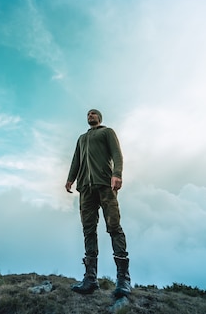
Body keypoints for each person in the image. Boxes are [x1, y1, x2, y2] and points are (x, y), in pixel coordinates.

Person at [65, 109, 131, 298]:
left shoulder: (107, 132)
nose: (90, 116)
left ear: (99, 118)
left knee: (114, 227)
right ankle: (90, 278)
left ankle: (123, 278)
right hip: (85, 188)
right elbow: (75, 161)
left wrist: (117, 174)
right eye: (87, 114)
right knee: (88, 229)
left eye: (93, 114)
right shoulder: (81, 138)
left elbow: (117, 154)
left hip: (104, 185)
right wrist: (70, 179)